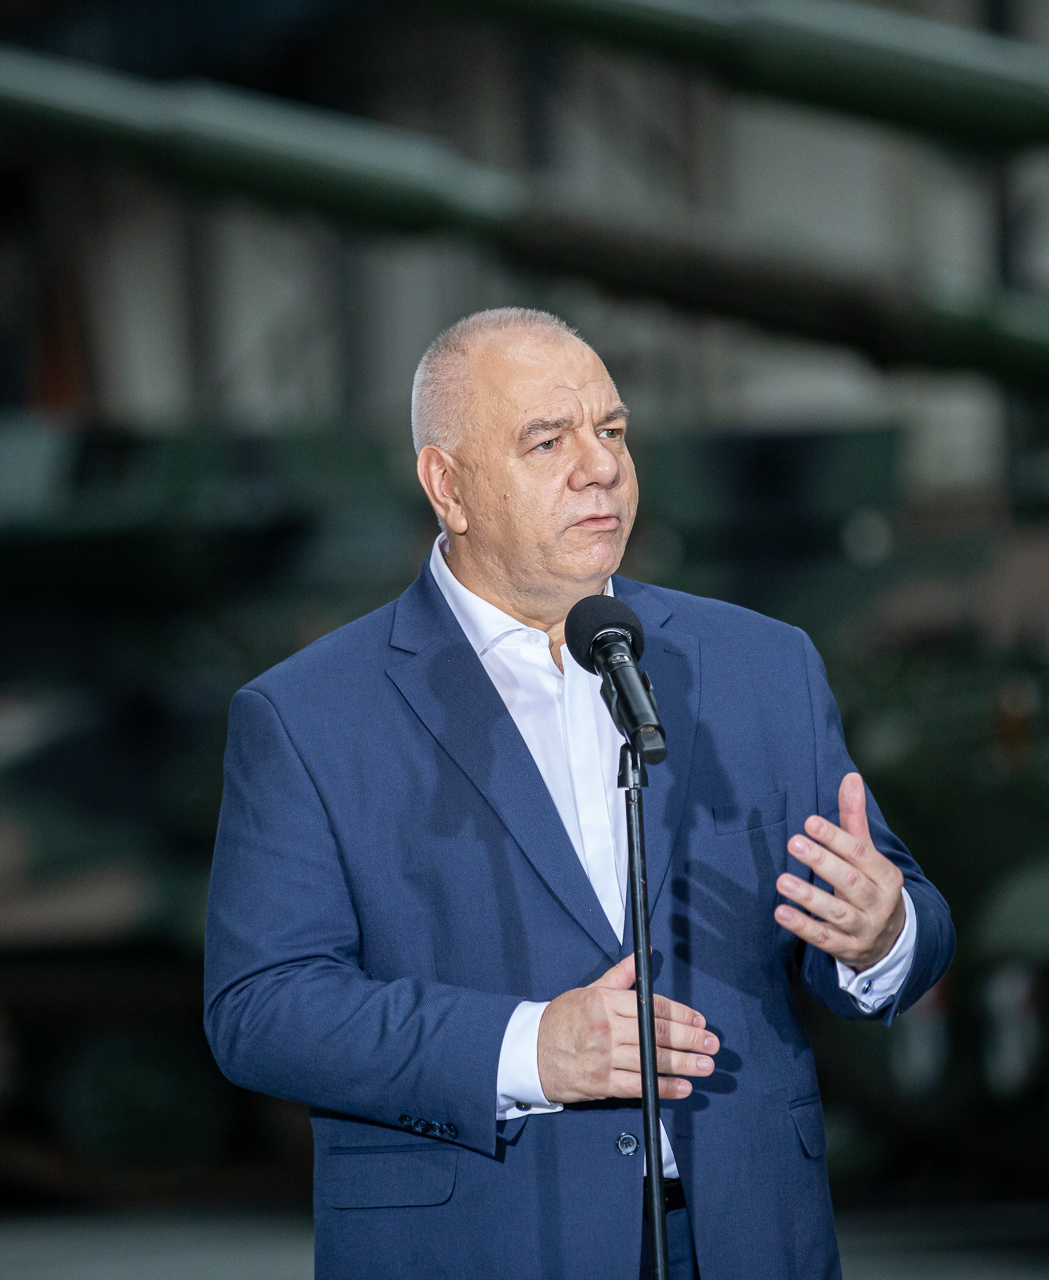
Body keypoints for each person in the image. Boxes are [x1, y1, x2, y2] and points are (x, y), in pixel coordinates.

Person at [205, 308, 953, 1279]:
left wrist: (881, 935)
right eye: (548, 440)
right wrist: (529, 1049)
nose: (600, 466)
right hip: (483, 1245)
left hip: (748, 1236)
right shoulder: (308, 714)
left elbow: (908, 916)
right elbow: (261, 1010)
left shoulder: (762, 664)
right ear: (448, 486)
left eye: (612, 430)